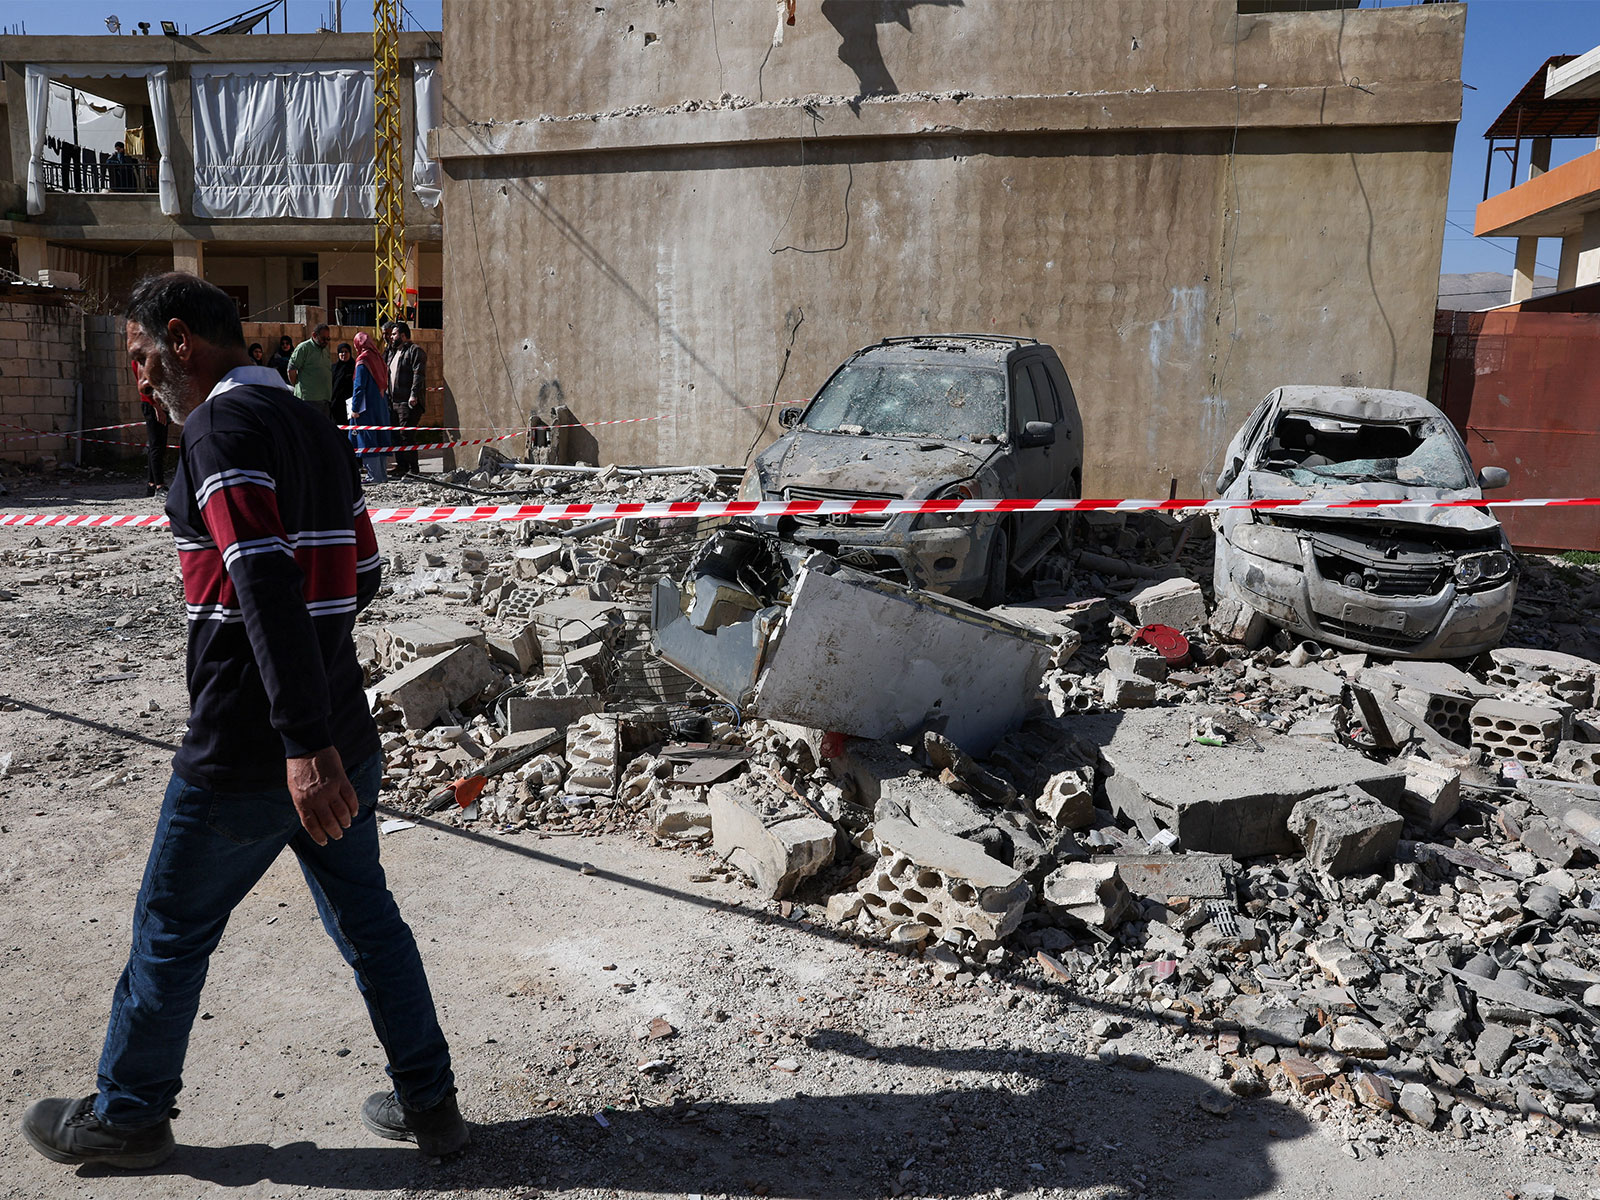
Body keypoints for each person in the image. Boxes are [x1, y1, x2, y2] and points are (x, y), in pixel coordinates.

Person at [19, 273, 465, 1170]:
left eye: (142, 357)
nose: (141, 378)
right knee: (368, 923)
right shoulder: (314, 427)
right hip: (339, 734)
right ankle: (432, 1105)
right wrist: (320, 691)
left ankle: (130, 1113)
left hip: (253, 751)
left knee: (170, 927)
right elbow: (363, 570)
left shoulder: (219, 430)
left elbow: (261, 577)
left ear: (181, 340)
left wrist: (300, 742)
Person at [384, 321, 427, 477]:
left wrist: (413, 394)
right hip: (393, 402)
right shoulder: (393, 352)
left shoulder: (415, 351)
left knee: (406, 436)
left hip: (407, 402)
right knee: (396, 436)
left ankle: (413, 470)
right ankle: (401, 467)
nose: (391, 337)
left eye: (394, 334)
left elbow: (418, 374)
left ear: (403, 335)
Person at [349, 329, 391, 485]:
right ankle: (382, 475)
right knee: (381, 437)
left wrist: (354, 408)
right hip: (381, 404)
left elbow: (359, 387)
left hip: (366, 407)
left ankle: (374, 476)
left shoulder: (363, 361)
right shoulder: (378, 358)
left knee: (367, 438)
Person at [287, 323, 333, 416]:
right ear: (314, 335)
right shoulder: (304, 348)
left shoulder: (325, 349)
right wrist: (299, 387)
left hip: (325, 398)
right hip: (308, 399)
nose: (326, 342)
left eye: (328, 339)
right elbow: (291, 370)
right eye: (323, 338)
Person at [140, 385, 168, 497]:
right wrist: (156, 407)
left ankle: (152, 483)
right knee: (156, 446)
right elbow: (144, 389)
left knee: (157, 445)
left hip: (158, 404)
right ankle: (159, 486)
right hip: (153, 405)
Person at [330, 341, 355, 426]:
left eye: (346, 352)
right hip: (336, 403)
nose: (344, 354)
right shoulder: (334, 368)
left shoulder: (354, 367)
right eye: (341, 352)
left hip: (350, 403)